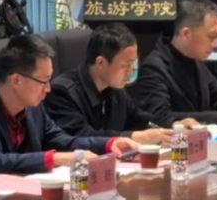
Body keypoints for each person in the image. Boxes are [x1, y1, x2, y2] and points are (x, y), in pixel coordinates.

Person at [0, 34, 136, 181]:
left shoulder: (33, 107)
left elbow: (63, 140)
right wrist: (56, 159)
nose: (48, 89)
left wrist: (108, 144)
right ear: (16, 80)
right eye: (43, 81)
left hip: (17, 197)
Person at [47, 23, 181, 145]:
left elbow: (141, 119)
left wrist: (173, 125)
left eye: (133, 64)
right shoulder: (62, 92)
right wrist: (133, 137)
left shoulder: (116, 89)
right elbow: (80, 137)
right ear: (100, 63)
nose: (130, 71)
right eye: (125, 65)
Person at [129, 0, 217, 128]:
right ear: (186, 34)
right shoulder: (153, 67)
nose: (215, 44)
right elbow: (159, 117)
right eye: (211, 37)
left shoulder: (195, 60)